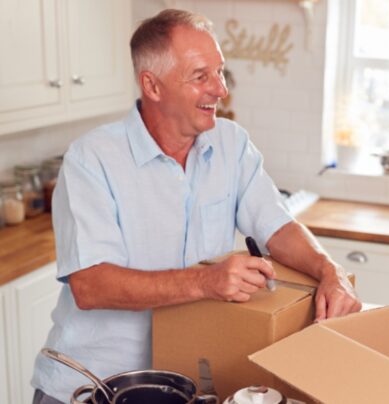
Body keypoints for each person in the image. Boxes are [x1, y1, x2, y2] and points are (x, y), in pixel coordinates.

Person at [30, 9, 361, 403]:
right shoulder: (91, 160)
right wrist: (207, 281)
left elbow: (276, 225)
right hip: (92, 386)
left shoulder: (232, 144)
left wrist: (331, 271)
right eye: (201, 76)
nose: (220, 89)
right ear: (152, 86)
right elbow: (91, 286)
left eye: (220, 72)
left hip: (184, 382)